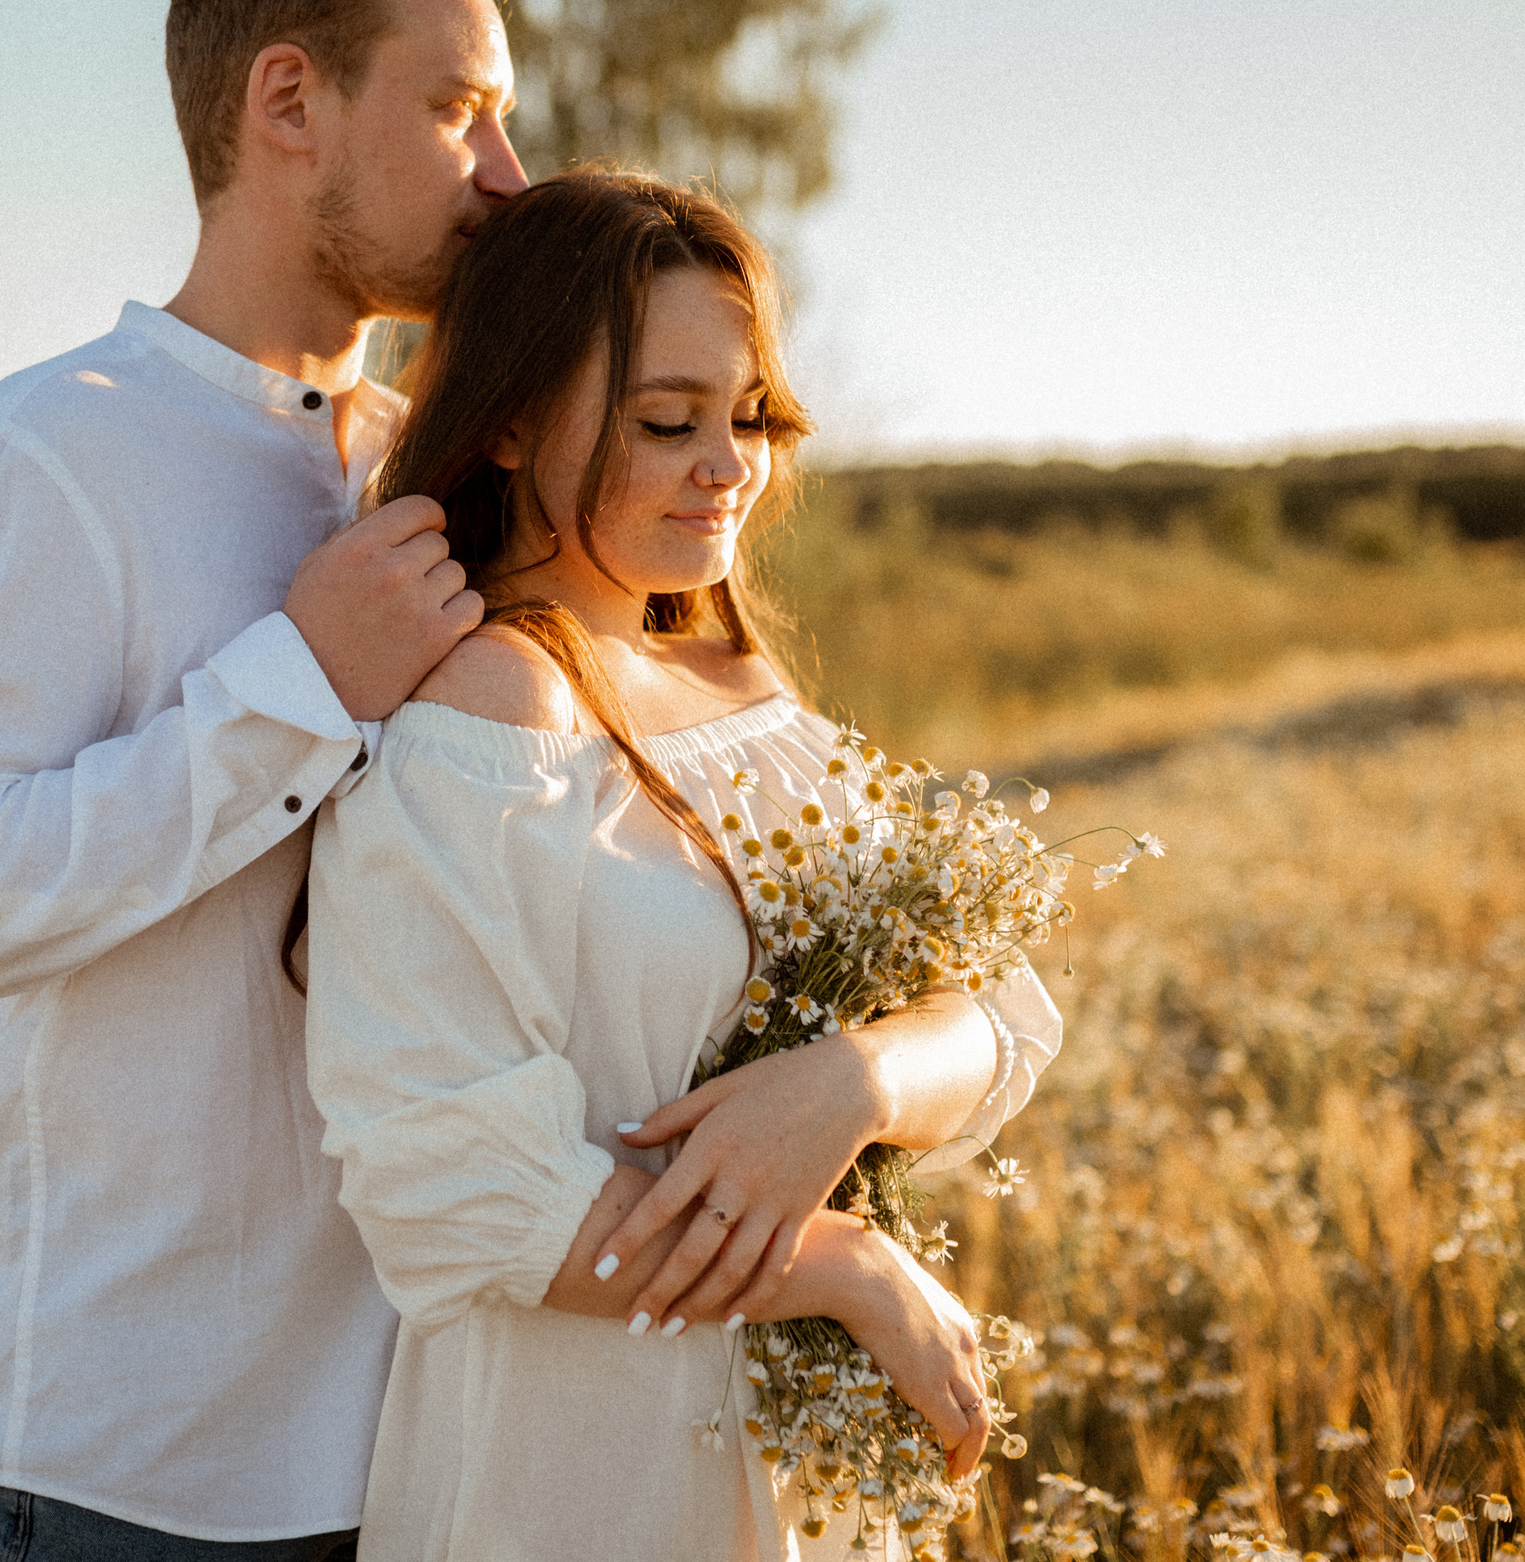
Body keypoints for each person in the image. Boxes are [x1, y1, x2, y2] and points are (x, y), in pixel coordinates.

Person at [0, 0, 1030, 1561]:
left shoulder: (432, 457)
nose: (506, 175)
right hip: (141, 1465)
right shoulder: (51, 458)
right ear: (290, 103)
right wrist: (295, 689)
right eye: (459, 108)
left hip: (446, 1435)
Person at [302, 169, 1063, 1562]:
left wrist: (856, 1082)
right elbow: (449, 1180)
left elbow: (1007, 1009)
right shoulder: (493, 712)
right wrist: (843, 1265)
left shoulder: (744, 688)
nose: (728, 464)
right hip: (586, 1469)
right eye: (669, 420)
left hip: (799, 1469)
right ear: (515, 425)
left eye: (748, 416)